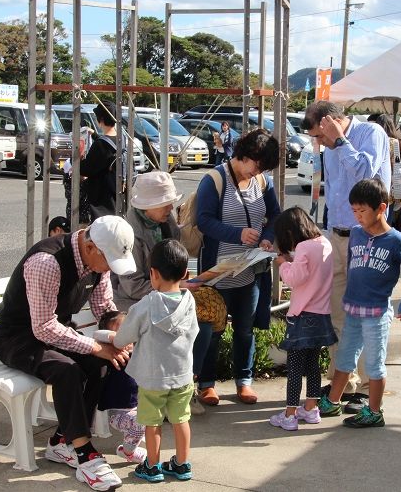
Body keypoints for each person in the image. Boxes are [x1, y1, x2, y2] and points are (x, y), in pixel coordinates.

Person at [0, 215, 136, 491]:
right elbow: (43, 328)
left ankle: (61, 441)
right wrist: (95, 346)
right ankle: (84, 453)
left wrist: (120, 330)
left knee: (101, 364)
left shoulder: (97, 261)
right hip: (17, 337)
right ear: (91, 247)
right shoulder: (47, 262)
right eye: (108, 261)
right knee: (68, 371)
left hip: (55, 330)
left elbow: (104, 307)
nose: (108, 269)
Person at [300, 100, 390, 410]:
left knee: (366, 313)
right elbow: (335, 190)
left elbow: (366, 172)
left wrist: (340, 140)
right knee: (337, 311)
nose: (318, 142)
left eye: (319, 134)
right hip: (336, 234)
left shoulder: (369, 133)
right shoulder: (330, 145)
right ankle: (344, 380)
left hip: (366, 237)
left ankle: (367, 384)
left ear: (330, 122)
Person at [318, 179, 401, 428]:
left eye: (362, 211)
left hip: (377, 314)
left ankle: (374, 411)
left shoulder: (396, 240)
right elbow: (353, 264)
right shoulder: (356, 234)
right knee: (344, 358)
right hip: (352, 309)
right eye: (354, 211)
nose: (358, 216)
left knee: (374, 364)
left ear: (381, 208)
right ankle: (332, 402)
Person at [194, 128, 281, 406]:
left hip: (250, 273)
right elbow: (204, 221)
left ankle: (244, 381)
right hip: (217, 274)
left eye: (263, 169)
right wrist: (238, 234)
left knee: (246, 329)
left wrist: (267, 239)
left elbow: (275, 216)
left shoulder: (263, 181)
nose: (257, 173)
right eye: (257, 165)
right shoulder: (214, 180)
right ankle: (206, 384)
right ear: (245, 154)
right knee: (212, 330)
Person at [110, 239, 199, 483]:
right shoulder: (190, 302)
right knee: (181, 419)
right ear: (185, 273)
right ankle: (181, 465)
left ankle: (152, 465)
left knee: (152, 423)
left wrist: (115, 340)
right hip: (182, 375)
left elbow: (123, 338)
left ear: (153, 274)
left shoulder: (147, 305)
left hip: (152, 379)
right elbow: (194, 333)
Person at [269, 207, 338, 431]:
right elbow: (312, 271)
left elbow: (294, 278)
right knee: (313, 366)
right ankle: (310, 409)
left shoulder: (303, 247)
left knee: (295, 368)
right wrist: (292, 259)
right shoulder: (324, 243)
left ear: (290, 232)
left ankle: (289, 415)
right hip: (321, 315)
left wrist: (282, 263)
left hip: (302, 316)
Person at [112, 171, 182, 312]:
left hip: (164, 295)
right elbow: (133, 286)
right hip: (133, 304)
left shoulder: (167, 221)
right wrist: (174, 287)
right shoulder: (128, 234)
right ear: (148, 206)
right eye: (166, 204)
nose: (171, 208)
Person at [95, 311, 147, 465]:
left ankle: (135, 439)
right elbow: (97, 334)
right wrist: (114, 339)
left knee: (152, 415)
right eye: (121, 332)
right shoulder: (112, 356)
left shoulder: (137, 352)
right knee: (142, 421)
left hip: (137, 407)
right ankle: (127, 451)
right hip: (118, 415)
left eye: (128, 330)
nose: (126, 336)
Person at [80, 101, 119, 220]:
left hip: (103, 201)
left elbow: (86, 169)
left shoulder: (100, 145)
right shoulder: (122, 140)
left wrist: (75, 159)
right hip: (119, 195)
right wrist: (94, 135)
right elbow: (107, 149)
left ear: (100, 120)